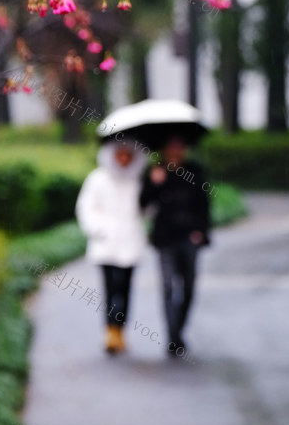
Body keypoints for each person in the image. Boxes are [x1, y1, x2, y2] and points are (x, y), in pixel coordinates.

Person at [75, 138, 149, 355]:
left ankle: (121, 330)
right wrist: (99, 230)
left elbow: (146, 209)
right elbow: (86, 208)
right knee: (110, 288)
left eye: (129, 155)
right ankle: (110, 331)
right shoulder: (97, 179)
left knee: (125, 288)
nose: (124, 159)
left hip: (130, 242)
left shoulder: (137, 180)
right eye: (120, 154)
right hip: (106, 244)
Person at [139, 135, 210, 357]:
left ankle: (178, 330)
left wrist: (201, 231)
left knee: (188, 286)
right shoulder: (156, 171)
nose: (175, 150)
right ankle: (172, 337)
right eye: (171, 146)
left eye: (179, 145)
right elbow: (142, 203)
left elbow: (204, 203)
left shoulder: (195, 171)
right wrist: (154, 183)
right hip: (165, 237)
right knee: (169, 287)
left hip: (190, 236)